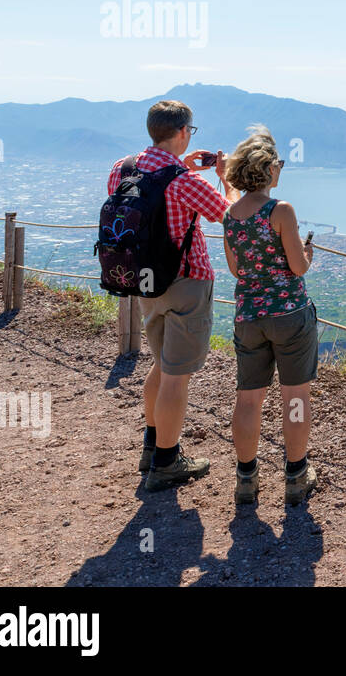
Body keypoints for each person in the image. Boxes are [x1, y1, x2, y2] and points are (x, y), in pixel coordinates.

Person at [107, 99, 238, 491]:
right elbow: (231, 214)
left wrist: (185, 164)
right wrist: (224, 176)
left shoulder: (123, 168)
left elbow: (149, 195)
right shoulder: (184, 182)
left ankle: (152, 446)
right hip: (186, 281)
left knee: (163, 366)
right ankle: (167, 461)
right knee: (177, 375)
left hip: (144, 280)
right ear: (183, 132)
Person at [222, 126, 318, 506]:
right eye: (278, 163)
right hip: (290, 317)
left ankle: (246, 478)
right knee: (295, 397)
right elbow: (297, 267)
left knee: (248, 399)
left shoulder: (231, 215)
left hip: (249, 317)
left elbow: (236, 270)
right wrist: (308, 255)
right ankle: (295, 474)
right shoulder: (280, 210)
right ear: (268, 170)